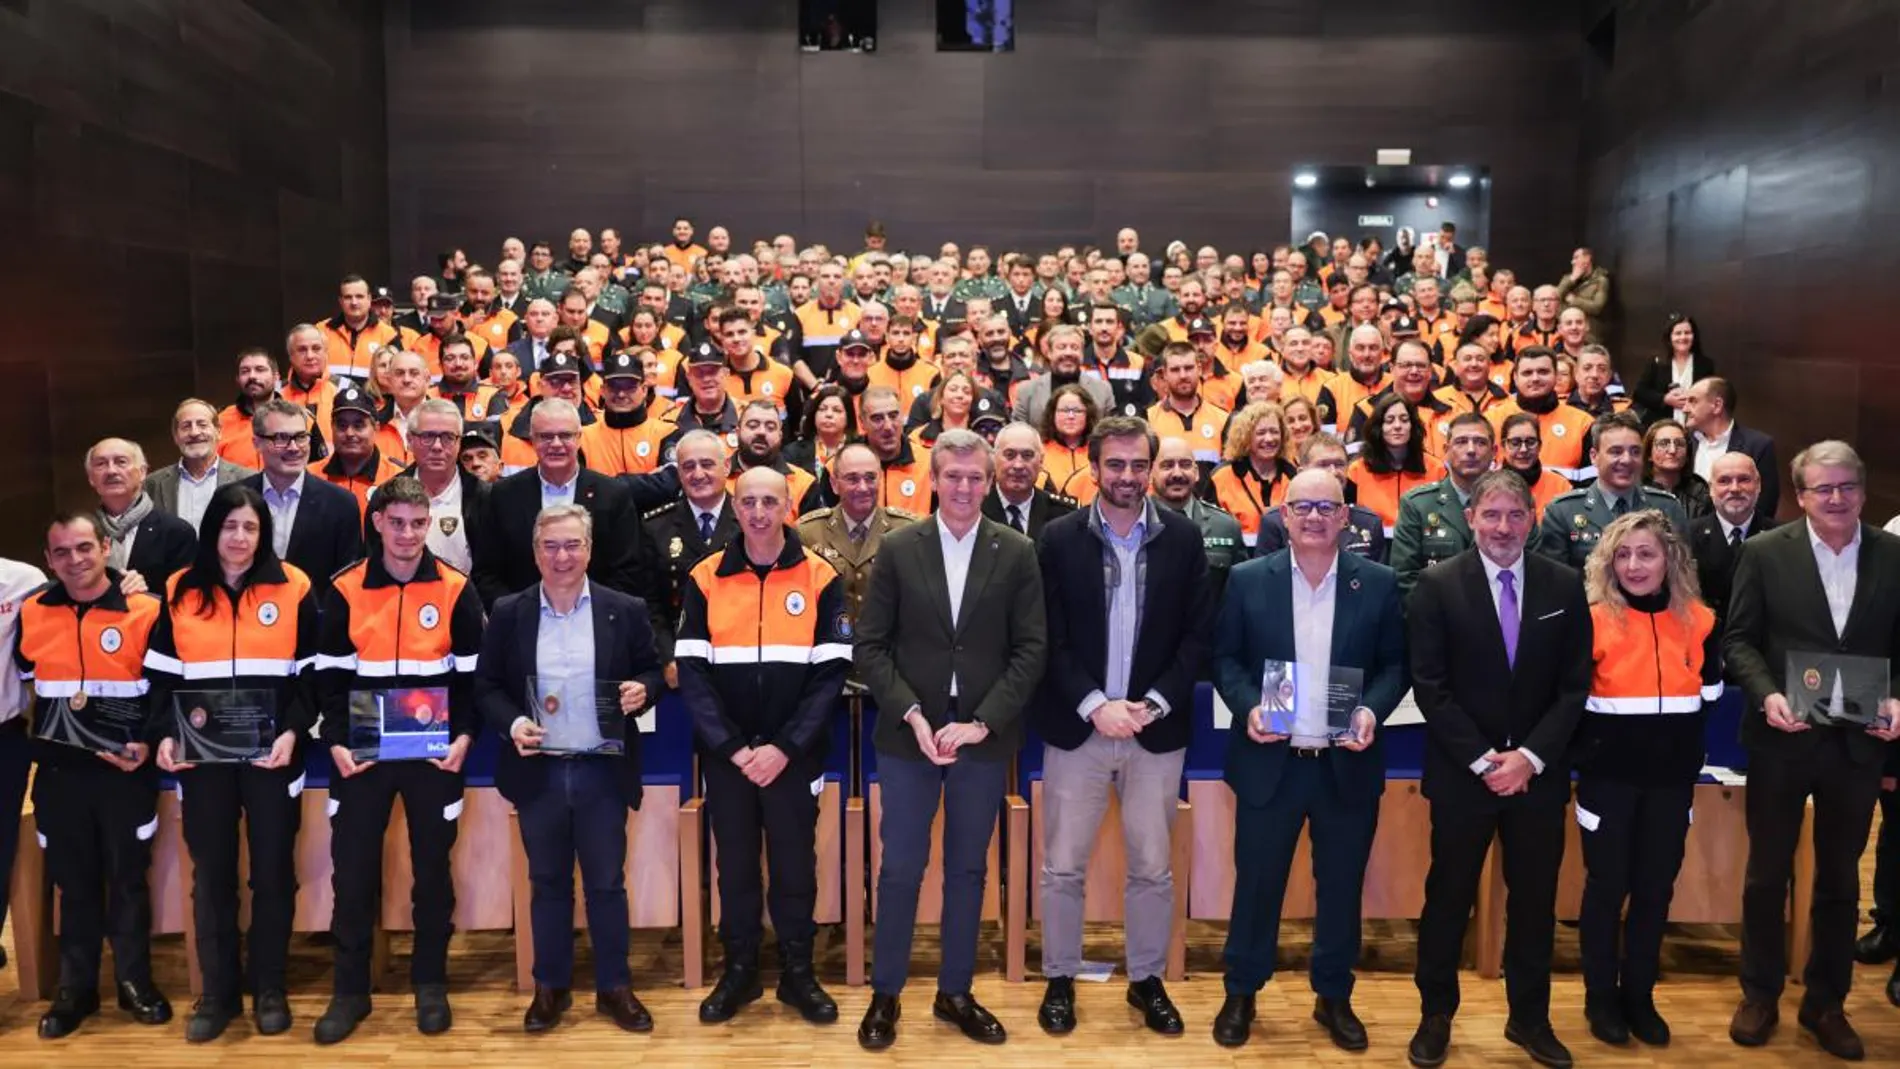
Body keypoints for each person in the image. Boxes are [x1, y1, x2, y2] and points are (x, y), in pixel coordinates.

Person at [853, 429, 1047, 1050]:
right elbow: (871, 646)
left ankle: (955, 991)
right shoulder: (898, 547)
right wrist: (912, 714)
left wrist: (983, 722)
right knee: (900, 867)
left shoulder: (1016, 551)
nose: (963, 487)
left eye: (974, 477)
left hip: (981, 734)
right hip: (908, 731)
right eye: (953, 476)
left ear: (989, 482)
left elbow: (1031, 649)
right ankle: (886, 993)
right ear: (932, 479)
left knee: (968, 867)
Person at [1210, 469, 1407, 1051]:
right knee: (1257, 885)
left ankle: (1333, 995)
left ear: (1346, 516)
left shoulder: (1377, 582)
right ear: (1283, 515)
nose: (1315, 517)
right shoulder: (1249, 579)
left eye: (1327, 506)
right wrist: (1248, 706)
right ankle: (1241, 991)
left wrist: (1371, 709)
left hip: (1344, 762)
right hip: (1272, 760)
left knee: (1341, 887)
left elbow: (1396, 665)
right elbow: (1225, 660)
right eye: (1303, 507)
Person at [1406, 470, 1592, 1069]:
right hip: (1464, 775)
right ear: (1470, 520)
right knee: (1447, 898)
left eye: (1515, 515)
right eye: (1491, 515)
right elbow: (1429, 686)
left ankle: (1530, 1018)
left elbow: (1574, 687)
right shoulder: (1436, 585)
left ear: (1532, 519)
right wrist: (1485, 759)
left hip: (1536, 776)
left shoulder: (1565, 585)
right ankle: (1435, 1015)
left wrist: (1528, 758)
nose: (1503, 527)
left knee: (1535, 903)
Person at [1033, 417, 1212, 1037]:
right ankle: (1060, 976)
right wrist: (1094, 704)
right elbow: (1047, 636)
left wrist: (1154, 703)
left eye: (1139, 465)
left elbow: (1197, 636)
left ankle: (1147, 980)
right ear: (1093, 467)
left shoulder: (1184, 539)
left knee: (1153, 866)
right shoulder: (1057, 539)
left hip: (1153, 730)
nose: (1128, 477)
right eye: (1116, 465)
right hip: (1079, 727)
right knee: (1062, 865)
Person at [1724, 441, 1900, 1061]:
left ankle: (1827, 1003)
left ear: (1864, 491)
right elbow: (1738, 641)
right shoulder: (1764, 552)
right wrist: (1767, 694)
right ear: (1801, 496)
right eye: (1823, 488)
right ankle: (1759, 994)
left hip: (1858, 746)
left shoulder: (1894, 555)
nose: (1836, 498)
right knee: (1766, 875)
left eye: (1847, 486)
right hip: (1783, 739)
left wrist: (1898, 698)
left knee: (1840, 880)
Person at [475, 503, 663, 1035]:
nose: (562, 556)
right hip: (539, 772)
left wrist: (643, 690)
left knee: (606, 884)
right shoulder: (509, 612)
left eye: (573, 545)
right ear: (536, 553)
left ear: (590, 550)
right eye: (551, 546)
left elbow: (652, 671)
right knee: (547, 883)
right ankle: (550, 987)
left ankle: (614, 987)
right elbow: (486, 686)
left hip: (602, 771)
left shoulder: (623, 609)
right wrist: (513, 723)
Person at [312, 477, 485, 1044]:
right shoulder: (345, 588)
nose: (408, 534)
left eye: (418, 523)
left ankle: (430, 983)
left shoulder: (456, 588)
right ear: (378, 523)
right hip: (361, 752)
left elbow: (473, 679)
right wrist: (337, 741)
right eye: (398, 523)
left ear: (429, 523)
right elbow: (329, 679)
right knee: (353, 872)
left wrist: (464, 736)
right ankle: (349, 991)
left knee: (432, 872)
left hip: (434, 754)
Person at [676, 467, 851, 1026]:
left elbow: (830, 676)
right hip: (728, 757)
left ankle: (798, 974)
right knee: (735, 866)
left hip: (793, 757)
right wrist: (732, 747)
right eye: (748, 501)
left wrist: (784, 747)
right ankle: (740, 970)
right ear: (735, 506)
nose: (757, 512)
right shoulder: (705, 576)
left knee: (796, 865)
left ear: (787, 506)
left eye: (769, 502)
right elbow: (693, 674)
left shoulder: (820, 576)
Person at [145, 485, 319, 1041]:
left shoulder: (294, 586)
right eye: (229, 526)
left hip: (274, 757)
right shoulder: (179, 589)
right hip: (203, 762)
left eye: (250, 527)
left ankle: (270, 987)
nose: (239, 538)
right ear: (211, 530)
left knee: (273, 873)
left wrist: (293, 732)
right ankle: (217, 994)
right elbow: (159, 679)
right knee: (212, 875)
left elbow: (311, 678)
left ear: (263, 533)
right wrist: (165, 735)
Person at [16, 513, 171, 1038]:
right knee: (73, 882)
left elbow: (164, 691)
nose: (75, 560)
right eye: (61, 552)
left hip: (125, 771)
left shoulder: (146, 609)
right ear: (48, 559)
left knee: (128, 879)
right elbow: (29, 682)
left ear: (106, 547)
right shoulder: (32, 611)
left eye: (84, 547)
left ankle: (134, 982)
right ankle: (75, 989)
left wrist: (147, 742)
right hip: (60, 772)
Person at [1572, 509, 1719, 1049]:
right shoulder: (1590, 620)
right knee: (1606, 889)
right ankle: (1599, 998)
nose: (1634, 565)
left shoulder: (1701, 620)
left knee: (1655, 890)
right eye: (1623, 555)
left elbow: (1709, 699)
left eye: (1646, 553)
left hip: (1670, 784)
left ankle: (1639, 996)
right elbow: (1569, 702)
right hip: (1607, 783)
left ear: (1669, 559)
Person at [470, 398, 651, 607]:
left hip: (597, 618)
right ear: (532, 439)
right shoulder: (503, 495)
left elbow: (628, 571)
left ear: (579, 438)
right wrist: (519, 612)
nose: (556, 444)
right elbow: (486, 573)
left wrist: (592, 613)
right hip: (522, 619)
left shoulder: (613, 495)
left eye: (565, 435)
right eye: (546, 436)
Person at [239, 400, 364, 599]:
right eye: (281, 438)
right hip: (245, 612)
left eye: (301, 437)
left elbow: (347, 581)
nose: (294, 447)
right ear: (257, 443)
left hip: (312, 615)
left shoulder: (341, 504)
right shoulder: (234, 499)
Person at [639, 430, 737, 678]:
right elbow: (650, 603)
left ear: (726, 466)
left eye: (707, 464)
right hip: (681, 661)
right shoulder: (655, 526)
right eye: (688, 466)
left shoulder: (749, 521)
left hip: (739, 658)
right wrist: (667, 657)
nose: (698, 474)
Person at [1536, 413, 1690, 570]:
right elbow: (1554, 578)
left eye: (1635, 452)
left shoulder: (1667, 507)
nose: (1627, 460)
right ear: (1594, 457)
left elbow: (1683, 573)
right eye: (1616, 451)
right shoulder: (1563, 512)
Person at [1390, 413, 1495, 598]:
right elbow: (1405, 578)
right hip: (1437, 612)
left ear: (1494, 451)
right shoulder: (1417, 505)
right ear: (1446, 450)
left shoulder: (1515, 504)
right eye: (1461, 442)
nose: (1471, 450)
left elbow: (1530, 567)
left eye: (1480, 442)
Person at [1256, 433, 1387, 563]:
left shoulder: (1369, 522)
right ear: (1301, 472)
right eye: (1323, 464)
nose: (1334, 472)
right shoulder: (1275, 523)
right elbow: (1265, 574)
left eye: (1339, 464)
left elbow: (1377, 575)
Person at [86, 437, 196, 591]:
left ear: (143, 472)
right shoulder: (80, 534)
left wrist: (147, 596)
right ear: (91, 478)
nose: (111, 470)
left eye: (121, 462)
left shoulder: (176, 532)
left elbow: (186, 597)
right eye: (101, 464)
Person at [1689, 453, 1774, 633]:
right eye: (1724, 481)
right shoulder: (1686, 536)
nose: (1735, 488)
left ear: (1758, 485)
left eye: (1744, 480)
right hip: (1706, 639)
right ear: (1711, 489)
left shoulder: (1780, 537)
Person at [146, 399, 256, 532]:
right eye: (186, 426)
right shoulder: (153, 484)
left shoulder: (248, 480)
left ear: (218, 432)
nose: (194, 432)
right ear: (175, 436)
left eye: (202, 425)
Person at [1345, 396, 1445, 533]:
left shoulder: (1437, 469)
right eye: (1389, 420)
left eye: (1404, 420)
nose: (1397, 426)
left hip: (1423, 541)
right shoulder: (1356, 470)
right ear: (1378, 427)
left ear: (1412, 426)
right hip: (1371, 541)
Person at [1685, 376, 1780, 520]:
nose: (1685, 408)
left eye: (1693, 401)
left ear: (1717, 405)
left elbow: (1766, 504)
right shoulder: (1684, 442)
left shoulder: (1758, 445)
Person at [1204, 402, 1295, 550]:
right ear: (1245, 437)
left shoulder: (1294, 477)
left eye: (1274, 431)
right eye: (1261, 433)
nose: (1269, 439)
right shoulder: (1221, 477)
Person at [310, 385, 406, 519]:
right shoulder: (310, 476)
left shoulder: (398, 477)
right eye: (342, 425)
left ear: (376, 428)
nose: (349, 433)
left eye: (358, 425)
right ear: (332, 427)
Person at [984, 422, 1077, 539]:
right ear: (994, 459)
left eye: (1027, 455)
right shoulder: (976, 509)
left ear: (1041, 461)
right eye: (1009, 455)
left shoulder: (1063, 514)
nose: (1018, 465)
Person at [1632, 314, 1714, 427]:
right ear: (1669, 337)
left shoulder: (1705, 364)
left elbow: (1711, 396)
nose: (1683, 337)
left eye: (1687, 333)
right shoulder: (1656, 362)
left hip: (1695, 428)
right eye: (1678, 333)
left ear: (1694, 336)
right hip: (1661, 427)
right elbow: (1639, 393)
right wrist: (1664, 399)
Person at [1037, 383, 1101, 505]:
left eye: (1077, 411)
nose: (1071, 416)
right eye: (1064, 411)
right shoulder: (1039, 451)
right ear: (1052, 414)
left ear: (1088, 414)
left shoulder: (1099, 451)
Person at [1499, 413, 1573, 517]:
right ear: (1503, 445)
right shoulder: (1487, 485)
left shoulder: (1561, 486)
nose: (1523, 449)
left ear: (1540, 446)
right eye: (1515, 443)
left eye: (1530, 442)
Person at [1641, 419, 1711, 519]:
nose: (1672, 450)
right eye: (1663, 443)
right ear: (1649, 454)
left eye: (1680, 444)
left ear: (1687, 455)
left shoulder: (1699, 493)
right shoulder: (1636, 492)